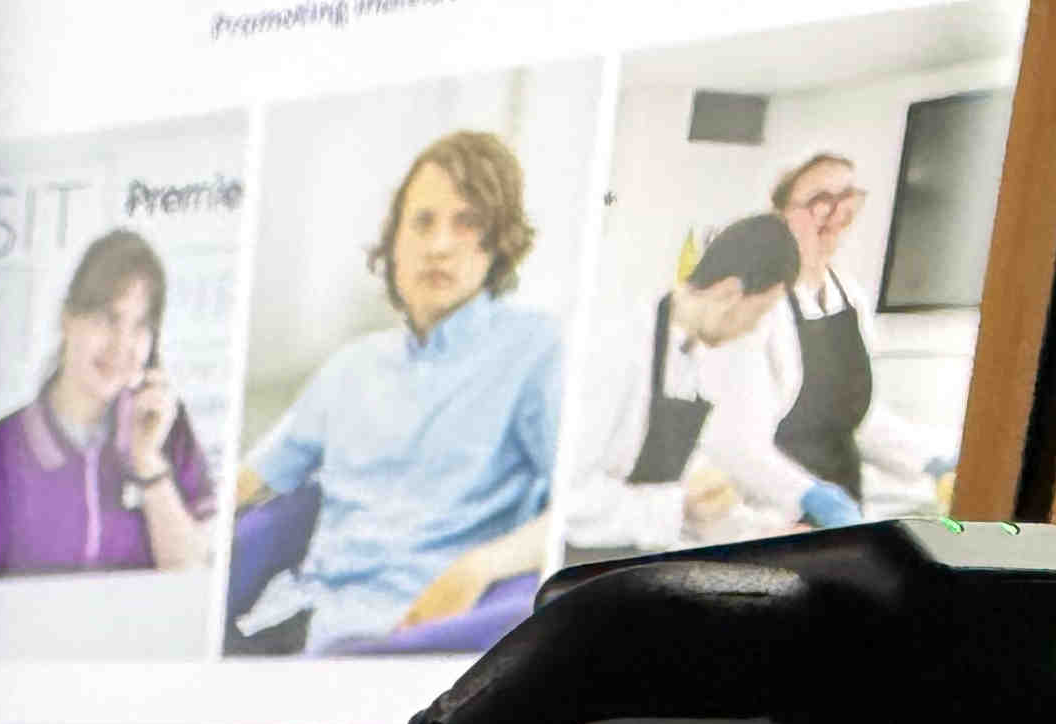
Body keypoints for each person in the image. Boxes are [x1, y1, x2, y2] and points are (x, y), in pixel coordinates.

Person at [230, 129, 561, 653]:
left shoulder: (535, 349)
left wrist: (479, 566)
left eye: (466, 222)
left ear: (498, 240)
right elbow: (250, 482)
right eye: (422, 222)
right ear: (394, 243)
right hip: (294, 619)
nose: (439, 245)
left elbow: (574, 509)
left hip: (413, 635)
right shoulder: (352, 366)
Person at [0, 228, 216, 576]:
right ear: (68, 319)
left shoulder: (168, 427)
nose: (122, 345)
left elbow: (194, 577)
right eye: (107, 319)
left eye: (141, 325)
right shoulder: (5, 445)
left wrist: (147, 461)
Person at [560, 214, 803, 559]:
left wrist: (760, 533)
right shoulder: (618, 347)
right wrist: (677, 505)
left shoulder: (688, 355)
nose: (753, 328)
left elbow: (673, 487)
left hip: (629, 554)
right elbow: (568, 499)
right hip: (575, 561)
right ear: (729, 292)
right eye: (760, 312)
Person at [740, 151, 951, 526]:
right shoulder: (758, 305)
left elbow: (859, 417)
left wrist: (932, 460)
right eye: (820, 201)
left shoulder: (850, 295)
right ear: (781, 214)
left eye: (847, 199)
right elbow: (740, 440)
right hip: (773, 515)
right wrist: (803, 498)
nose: (836, 215)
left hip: (844, 506)